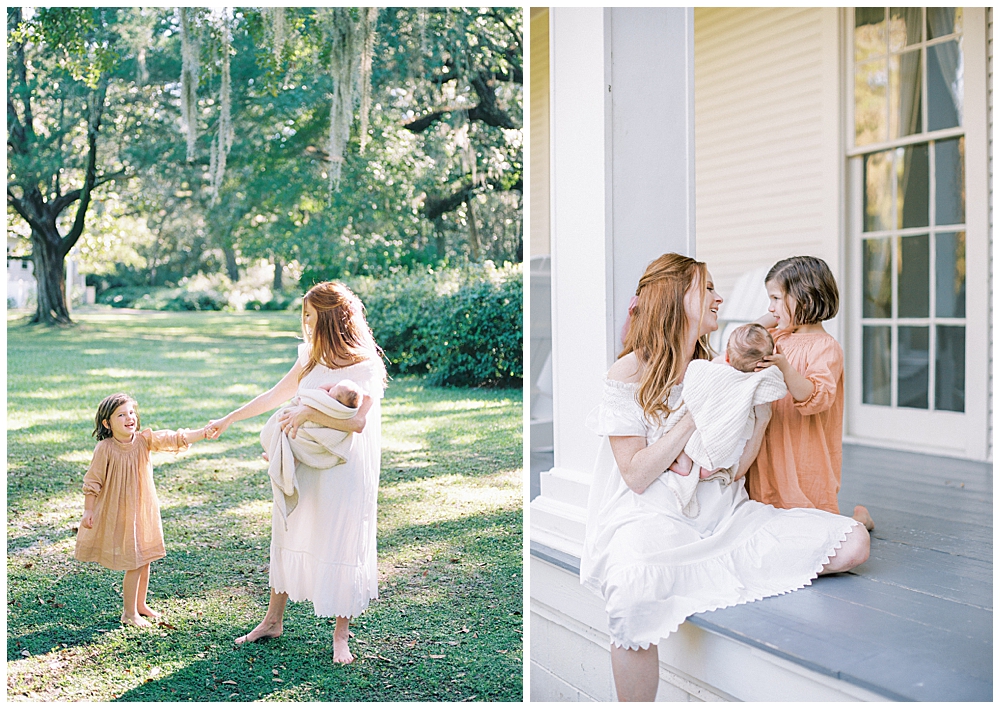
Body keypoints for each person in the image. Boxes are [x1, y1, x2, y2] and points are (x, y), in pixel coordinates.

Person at [580, 253, 870, 702]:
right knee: (631, 593)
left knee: (853, 541)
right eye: (709, 288)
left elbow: (739, 464)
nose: (719, 297)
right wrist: (695, 416)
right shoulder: (629, 372)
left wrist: (754, 415)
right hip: (656, 515)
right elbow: (636, 475)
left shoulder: (717, 366)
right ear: (677, 299)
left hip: (726, 511)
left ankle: (711, 574)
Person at [206, 282, 386, 665]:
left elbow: (357, 422)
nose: (305, 323)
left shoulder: (366, 363)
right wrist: (228, 418)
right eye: (303, 315)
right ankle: (273, 620)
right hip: (303, 457)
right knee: (288, 527)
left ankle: (341, 634)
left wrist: (308, 413)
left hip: (343, 464)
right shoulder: (309, 356)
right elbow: (274, 395)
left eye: (310, 315)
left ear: (332, 319)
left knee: (341, 536)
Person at [748, 256, 875, 531]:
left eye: (776, 298)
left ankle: (859, 521)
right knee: (768, 513)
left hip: (804, 449)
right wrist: (778, 313)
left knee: (815, 524)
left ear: (804, 299)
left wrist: (784, 367)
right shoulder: (779, 337)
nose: (770, 308)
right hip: (772, 441)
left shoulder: (826, 347)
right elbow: (748, 334)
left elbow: (814, 397)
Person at [74, 393, 209, 627]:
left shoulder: (144, 440)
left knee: (145, 559)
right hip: (120, 512)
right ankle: (129, 614)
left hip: (142, 508)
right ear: (107, 423)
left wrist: (203, 433)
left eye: (132, 412)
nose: (130, 418)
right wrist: (88, 511)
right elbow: (93, 481)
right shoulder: (105, 449)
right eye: (121, 414)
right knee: (134, 562)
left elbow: (173, 438)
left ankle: (140, 605)